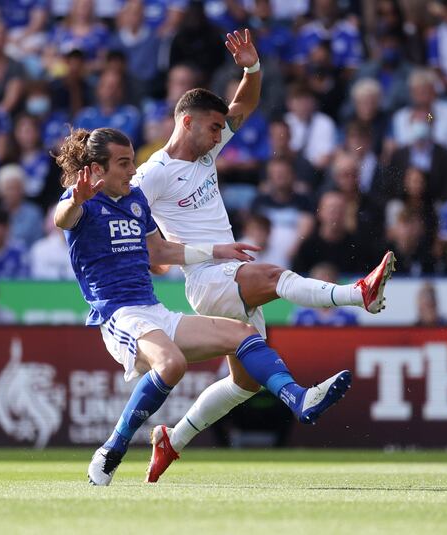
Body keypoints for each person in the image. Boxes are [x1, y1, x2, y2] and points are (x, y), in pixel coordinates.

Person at [132, 30, 395, 462]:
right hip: (207, 278)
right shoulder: (152, 175)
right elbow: (142, 241)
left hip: (225, 275)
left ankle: (171, 441)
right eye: (214, 127)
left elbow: (245, 105)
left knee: (244, 384)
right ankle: (356, 294)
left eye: (221, 129)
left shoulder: (205, 153)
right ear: (187, 122)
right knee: (273, 276)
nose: (221, 136)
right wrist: (173, 253)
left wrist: (251, 67)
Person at [53, 126, 353, 486]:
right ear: (98, 169)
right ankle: (112, 450)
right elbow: (63, 219)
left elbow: (160, 253)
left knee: (242, 334)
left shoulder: (135, 203)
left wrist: (215, 251)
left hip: (153, 310)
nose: (133, 170)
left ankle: (299, 398)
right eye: (123, 163)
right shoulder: (82, 200)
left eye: (133, 161)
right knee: (172, 363)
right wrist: (76, 200)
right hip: (118, 314)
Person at [292, 263, 360, 326]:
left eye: (327, 285)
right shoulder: (301, 315)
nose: (323, 291)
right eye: (318, 284)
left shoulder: (349, 316)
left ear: (336, 284)